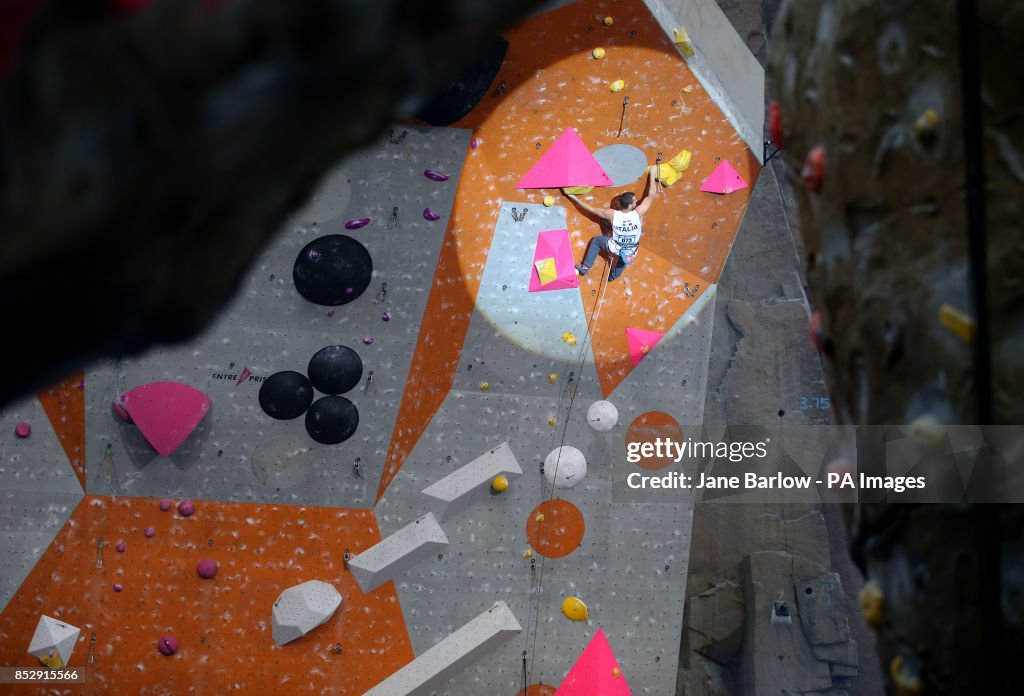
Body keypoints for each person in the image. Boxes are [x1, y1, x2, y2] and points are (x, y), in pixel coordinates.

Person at [564, 164, 658, 281]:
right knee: (624, 257)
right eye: (634, 201)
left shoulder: (612, 214)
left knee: (597, 241)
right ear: (630, 206)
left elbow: (591, 209)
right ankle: (613, 276)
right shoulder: (638, 213)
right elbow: (651, 195)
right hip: (631, 251)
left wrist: (574, 198)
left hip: (615, 247)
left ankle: (585, 267)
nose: (636, 202)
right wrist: (652, 176)